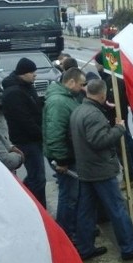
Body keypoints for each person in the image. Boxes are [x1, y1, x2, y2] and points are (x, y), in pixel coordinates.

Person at [70, 79, 133, 261]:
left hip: (86, 169)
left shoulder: (79, 110)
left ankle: (84, 247)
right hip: (100, 169)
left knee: (86, 211)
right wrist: (119, 129)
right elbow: (99, 141)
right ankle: (130, 247)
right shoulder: (93, 115)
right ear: (102, 94)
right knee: (117, 209)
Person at [42, 67, 86, 240]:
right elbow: (55, 134)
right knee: (69, 196)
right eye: (81, 84)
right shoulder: (59, 102)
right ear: (71, 82)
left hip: (67, 155)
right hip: (64, 158)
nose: (83, 88)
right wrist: (62, 160)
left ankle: (71, 229)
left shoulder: (66, 98)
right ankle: (67, 235)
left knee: (71, 195)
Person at [2, 57, 47, 207]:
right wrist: (42, 134)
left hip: (33, 139)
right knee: (38, 179)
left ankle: (24, 197)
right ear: (23, 73)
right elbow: (25, 120)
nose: (35, 75)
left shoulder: (26, 86)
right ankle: (38, 208)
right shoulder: (14, 93)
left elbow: (35, 108)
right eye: (32, 72)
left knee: (35, 177)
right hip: (27, 141)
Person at [94, 53, 133, 185]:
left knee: (123, 147)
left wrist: (99, 102)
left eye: (97, 63)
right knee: (125, 142)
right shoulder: (107, 79)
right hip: (116, 118)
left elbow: (113, 102)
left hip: (116, 118)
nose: (95, 66)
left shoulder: (113, 80)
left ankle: (130, 175)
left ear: (102, 65)